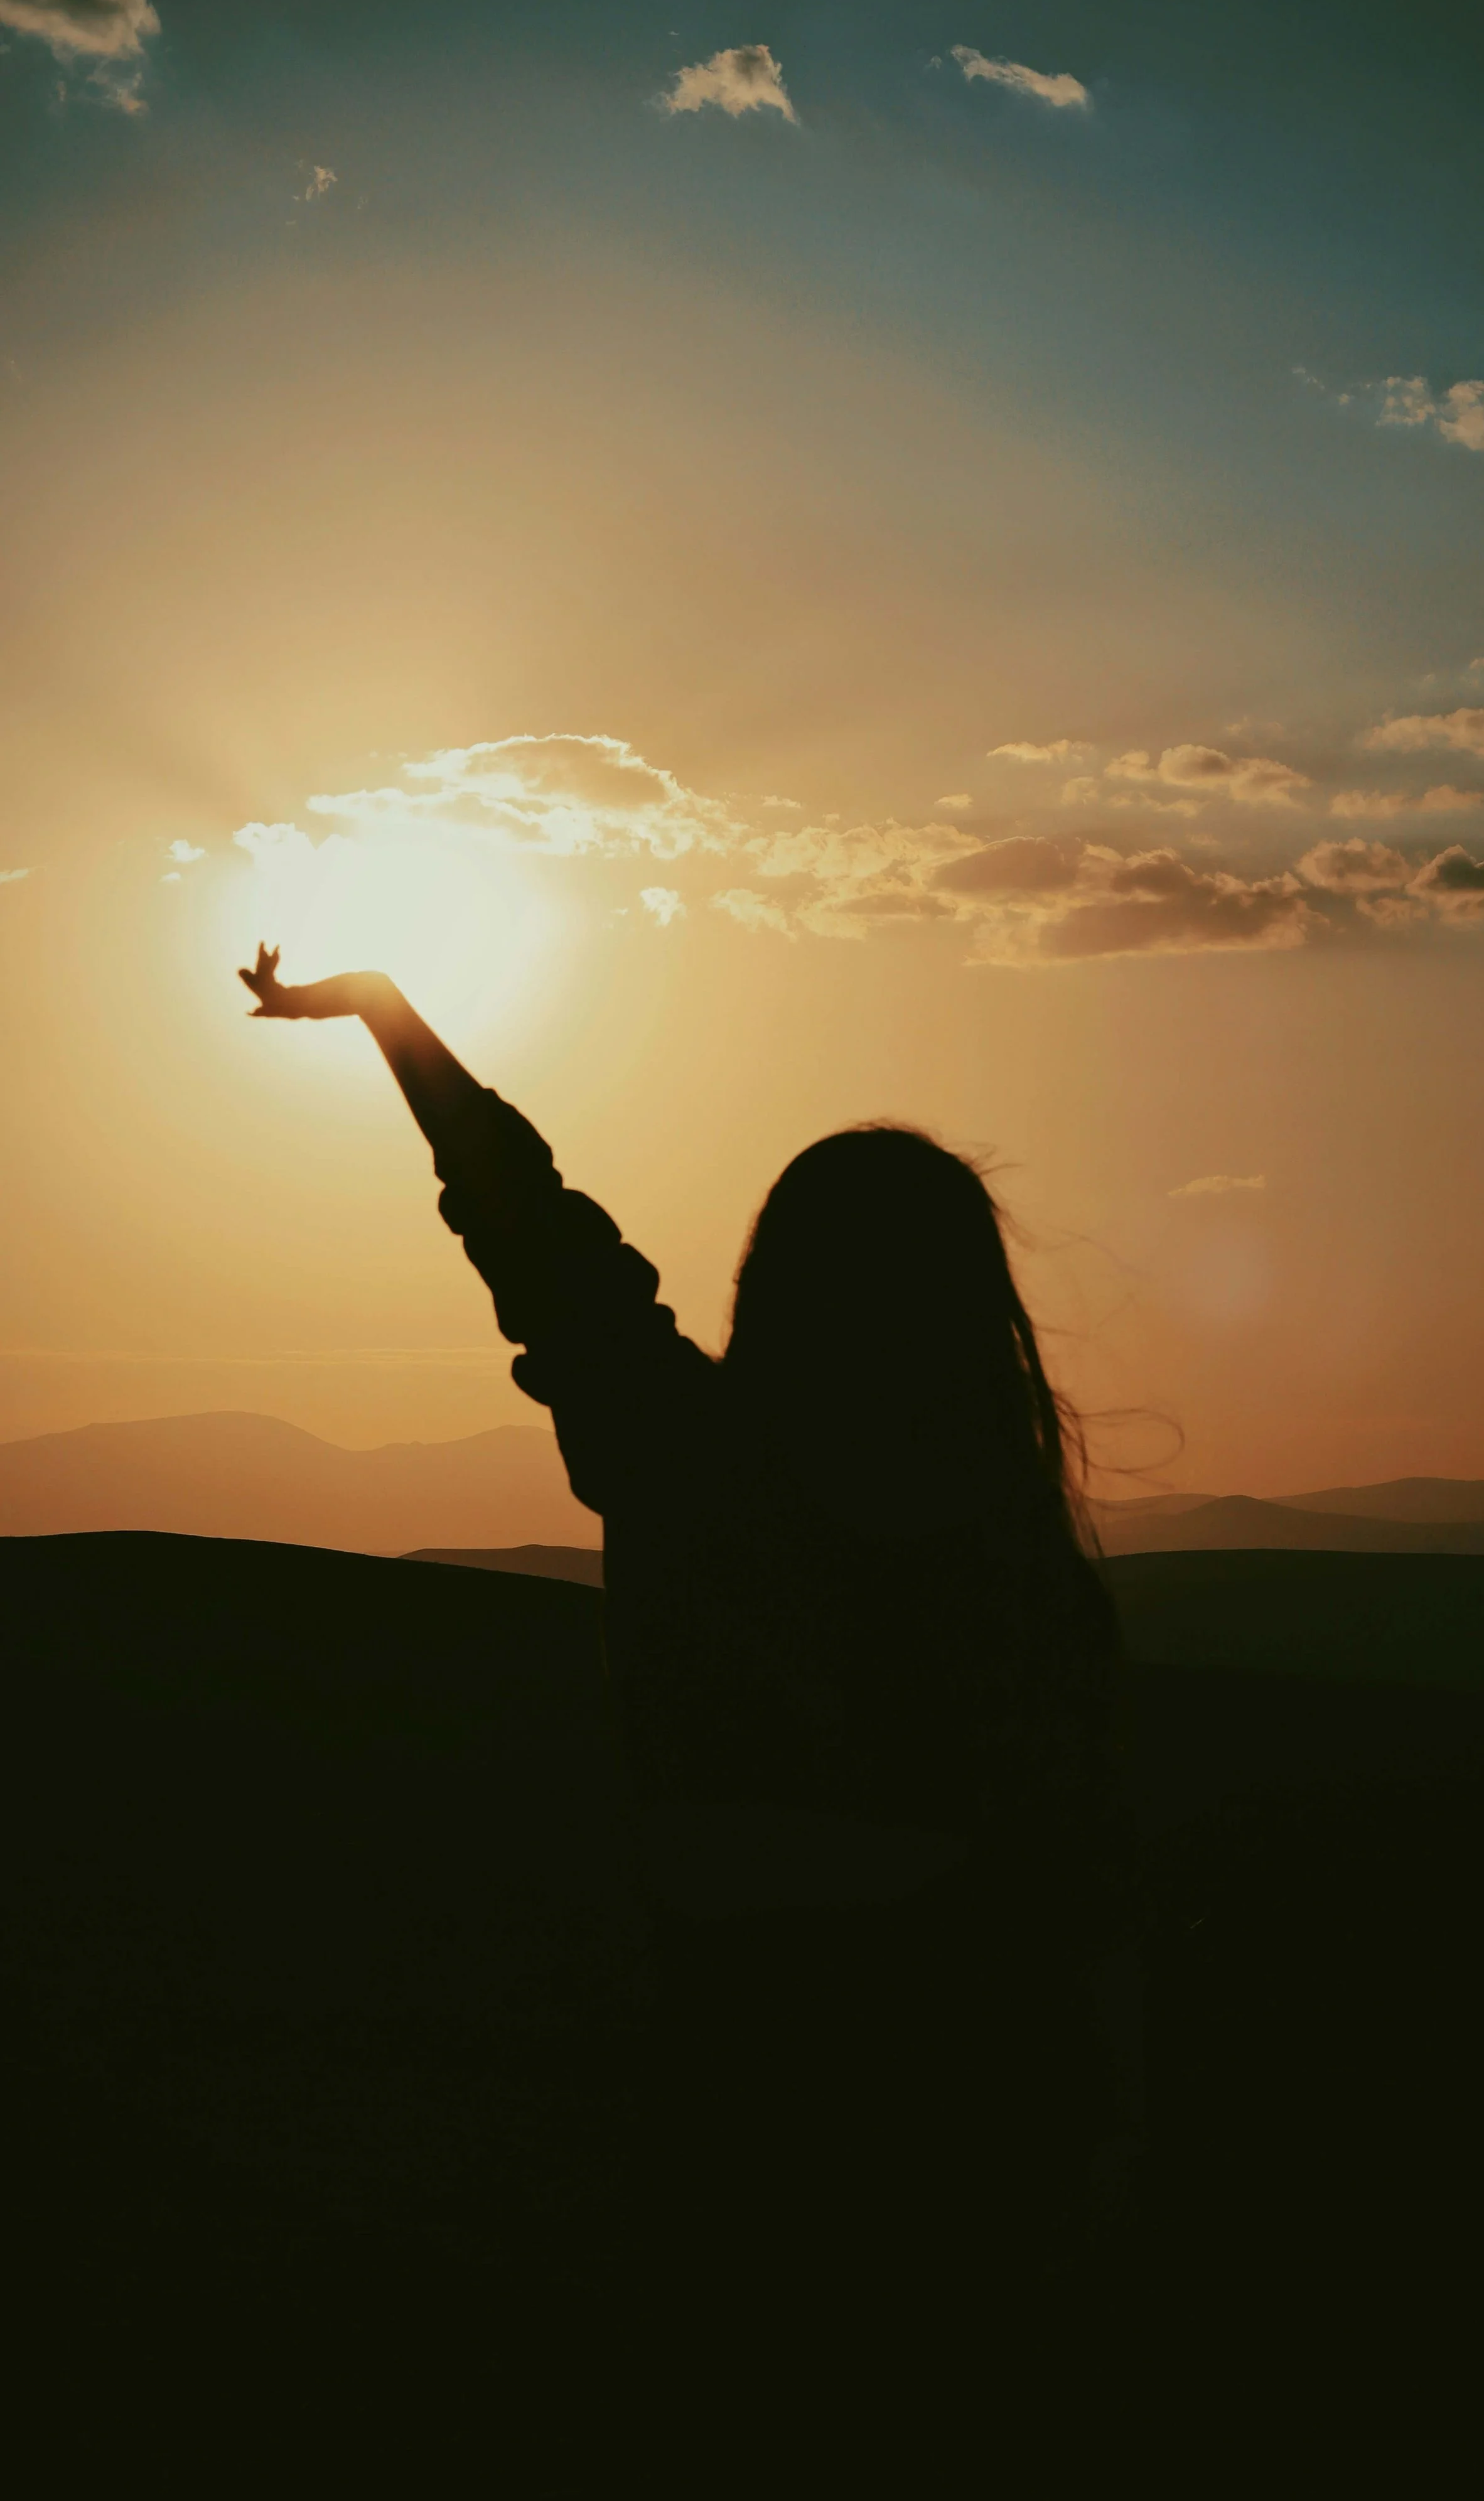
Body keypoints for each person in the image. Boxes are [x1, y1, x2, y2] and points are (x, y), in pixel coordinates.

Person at [238, 945, 1139, 2328]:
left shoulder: (684, 1452)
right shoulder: (1010, 1558)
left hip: (738, 2093)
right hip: (972, 2138)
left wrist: (385, 1015)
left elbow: (528, 1229)